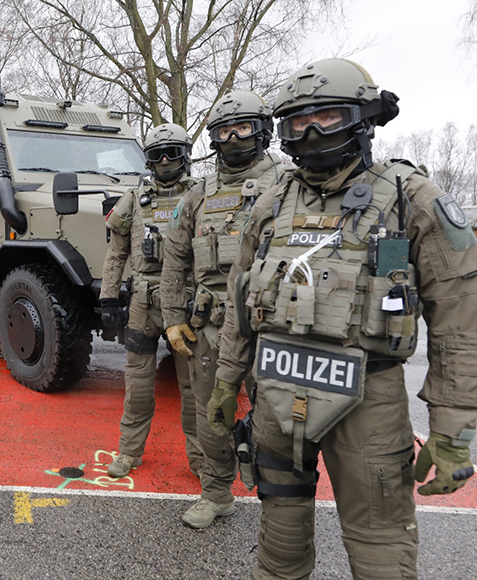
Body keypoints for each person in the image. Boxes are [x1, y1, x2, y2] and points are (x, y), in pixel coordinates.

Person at [213, 58, 477, 579]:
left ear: (363, 117)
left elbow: (460, 322)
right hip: (276, 398)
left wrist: (453, 429)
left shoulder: (412, 200)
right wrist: (225, 380)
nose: (311, 132)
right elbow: (240, 302)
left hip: (368, 405)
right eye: (297, 122)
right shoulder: (271, 204)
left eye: (327, 117)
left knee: (380, 550)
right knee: (279, 547)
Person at [160, 90, 289, 528]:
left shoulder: (290, 182)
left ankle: (282, 505)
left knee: (276, 418)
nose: (233, 137)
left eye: (243, 127)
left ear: (263, 130)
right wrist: (173, 319)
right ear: (212, 138)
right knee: (210, 414)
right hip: (210, 327)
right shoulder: (197, 196)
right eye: (223, 130)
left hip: (272, 325)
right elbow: (174, 260)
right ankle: (216, 493)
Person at [100, 123, 203, 480]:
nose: (163, 160)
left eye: (171, 152)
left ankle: (201, 458)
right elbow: (116, 254)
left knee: (193, 388)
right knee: (138, 384)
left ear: (184, 155)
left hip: (186, 302)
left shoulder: (201, 195)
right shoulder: (134, 197)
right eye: (156, 154)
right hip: (143, 303)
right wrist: (109, 298)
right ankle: (129, 451)